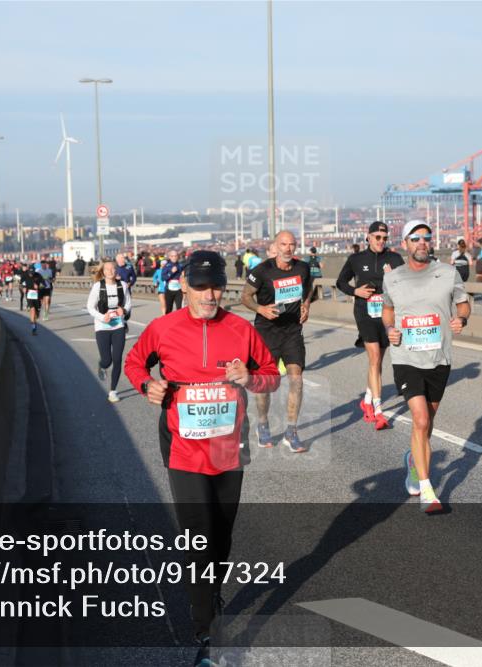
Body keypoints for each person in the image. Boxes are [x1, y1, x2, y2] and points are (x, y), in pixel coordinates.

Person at [124, 251, 279, 666]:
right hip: (184, 448)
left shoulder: (241, 329)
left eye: (216, 287)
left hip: (229, 448)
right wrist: (147, 385)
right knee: (198, 540)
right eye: (200, 286)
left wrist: (250, 378)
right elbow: (135, 362)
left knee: (221, 538)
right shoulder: (163, 327)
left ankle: (211, 592)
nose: (209, 295)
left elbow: (272, 375)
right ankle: (206, 632)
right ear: (185, 287)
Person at [383, 219, 471, 513]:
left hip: (439, 359)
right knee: (420, 420)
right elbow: (387, 311)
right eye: (415, 238)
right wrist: (389, 330)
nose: (422, 243)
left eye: (426, 238)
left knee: (427, 422)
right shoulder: (393, 278)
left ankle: (413, 460)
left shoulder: (447, 273)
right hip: (406, 357)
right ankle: (426, 489)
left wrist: (462, 319)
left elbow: (463, 302)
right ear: (405, 244)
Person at [242, 230, 312, 452]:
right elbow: (245, 296)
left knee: (296, 380)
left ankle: (291, 431)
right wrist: (260, 308)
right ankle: (262, 423)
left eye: (292, 244)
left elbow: (309, 288)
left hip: (292, 331)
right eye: (283, 244)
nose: (288, 249)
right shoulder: (263, 271)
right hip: (267, 332)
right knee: (265, 384)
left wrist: (306, 305)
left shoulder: (303, 268)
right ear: (276, 246)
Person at [335, 221, 405, 430]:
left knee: (378, 361)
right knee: (374, 358)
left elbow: (405, 282)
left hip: (387, 314)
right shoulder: (356, 259)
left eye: (385, 238)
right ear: (368, 237)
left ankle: (366, 399)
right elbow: (341, 282)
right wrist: (355, 291)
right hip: (365, 313)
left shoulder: (394, 258)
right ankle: (378, 410)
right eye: (377, 237)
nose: (381, 242)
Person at [87, 260, 132, 403]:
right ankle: (102, 365)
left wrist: (123, 310)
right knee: (107, 360)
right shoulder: (97, 287)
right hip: (102, 327)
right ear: (104, 271)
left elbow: (129, 304)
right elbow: (90, 307)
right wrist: (102, 317)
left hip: (118, 326)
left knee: (118, 359)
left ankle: (113, 391)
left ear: (116, 270)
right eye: (107, 269)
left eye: (113, 269)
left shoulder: (123, 285)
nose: (110, 271)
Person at [24, 266, 45, 335]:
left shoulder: (38, 275)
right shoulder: (25, 275)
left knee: (36, 314)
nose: (31, 274)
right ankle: (33, 328)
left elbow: (44, 285)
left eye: (32, 273)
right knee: (32, 310)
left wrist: (38, 287)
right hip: (29, 295)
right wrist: (23, 288)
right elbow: (21, 284)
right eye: (30, 273)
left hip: (37, 295)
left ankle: (36, 315)